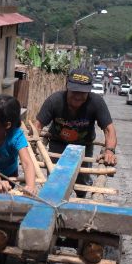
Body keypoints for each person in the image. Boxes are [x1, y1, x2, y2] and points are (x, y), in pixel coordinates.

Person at [35, 68, 117, 198]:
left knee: (82, 182)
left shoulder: (96, 102)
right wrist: (32, 144)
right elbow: (37, 126)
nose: (78, 96)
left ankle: (81, 200)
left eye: (82, 92)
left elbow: (109, 130)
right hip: (58, 143)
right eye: (74, 91)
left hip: (83, 146)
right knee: (55, 180)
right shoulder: (55, 101)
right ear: (67, 86)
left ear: (89, 90)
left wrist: (109, 151)